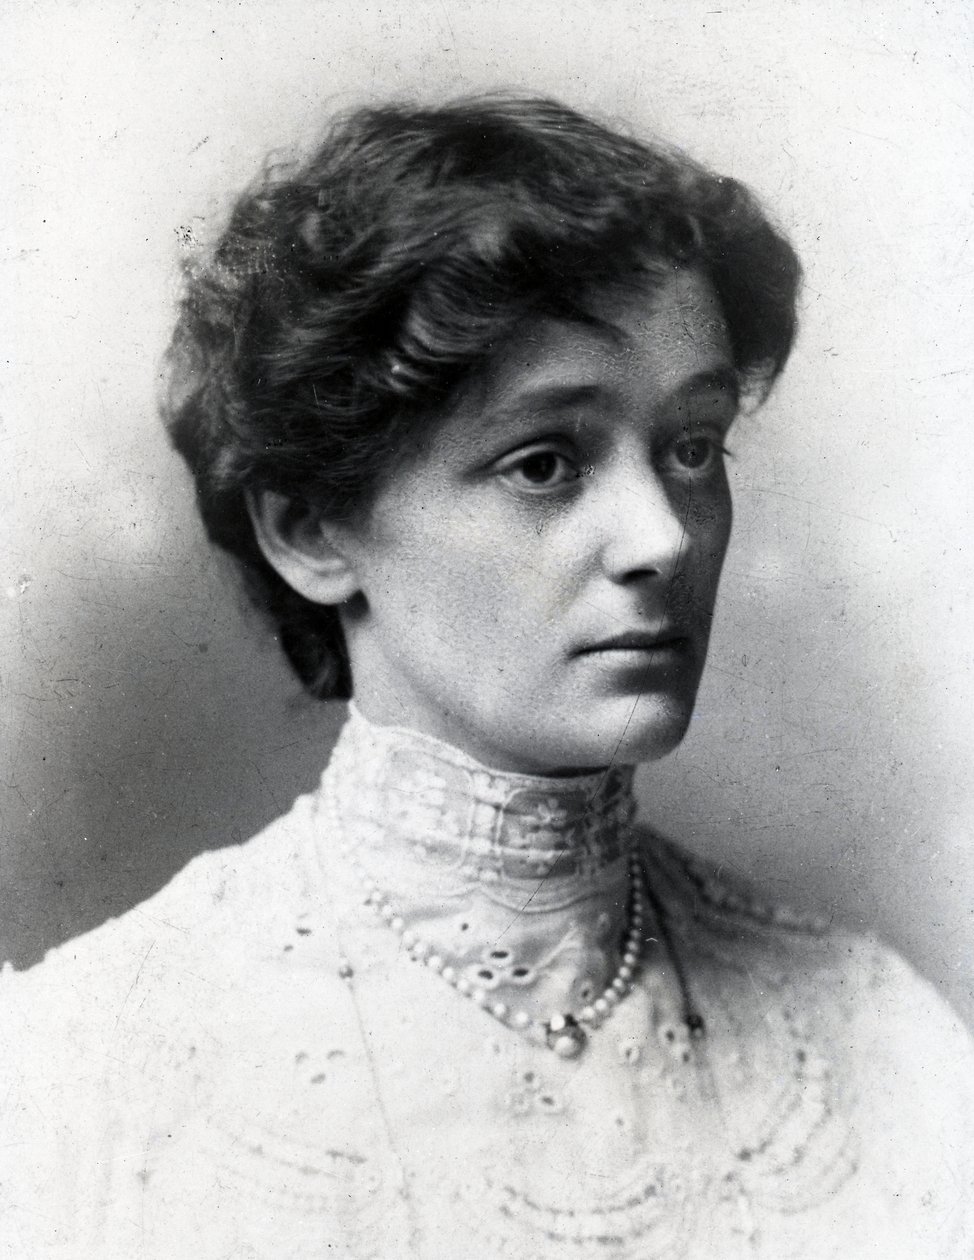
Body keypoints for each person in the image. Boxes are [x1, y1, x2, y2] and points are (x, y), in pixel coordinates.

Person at [2, 94, 972, 1260]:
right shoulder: (86, 1079)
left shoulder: (873, 1042)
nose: (661, 537)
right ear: (309, 529)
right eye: (544, 462)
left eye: (691, 447)